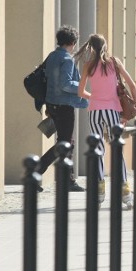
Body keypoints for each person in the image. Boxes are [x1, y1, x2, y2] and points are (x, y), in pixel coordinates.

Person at [76, 34, 136, 209]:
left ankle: (99, 192)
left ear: (91, 48)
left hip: (95, 111)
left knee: (98, 151)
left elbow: (81, 92)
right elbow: (132, 85)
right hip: (113, 110)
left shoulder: (88, 66)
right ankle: (126, 194)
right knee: (117, 149)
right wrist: (132, 106)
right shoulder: (114, 62)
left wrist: (94, 97)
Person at [36, 25, 89, 192]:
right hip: (64, 106)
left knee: (66, 142)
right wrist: (82, 88)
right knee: (65, 143)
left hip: (51, 104)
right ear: (73, 42)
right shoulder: (67, 59)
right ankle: (38, 170)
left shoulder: (52, 56)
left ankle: (68, 179)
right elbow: (66, 84)